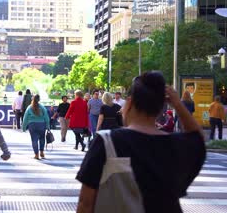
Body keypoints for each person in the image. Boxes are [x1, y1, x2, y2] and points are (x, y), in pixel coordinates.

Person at [76, 71, 206, 213]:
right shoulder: (177, 145)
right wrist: (177, 103)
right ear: (161, 107)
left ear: (130, 103)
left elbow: (85, 202)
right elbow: (197, 139)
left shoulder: (107, 142)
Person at [22, 94, 50, 159]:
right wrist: (48, 126)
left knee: (34, 140)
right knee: (42, 139)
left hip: (32, 125)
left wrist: (24, 127)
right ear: (39, 100)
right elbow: (46, 117)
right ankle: (42, 152)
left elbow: (25, 118)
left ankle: (36, 154)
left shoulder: (29, 108)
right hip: (41, 125)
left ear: (32, 99)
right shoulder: (42, 107)